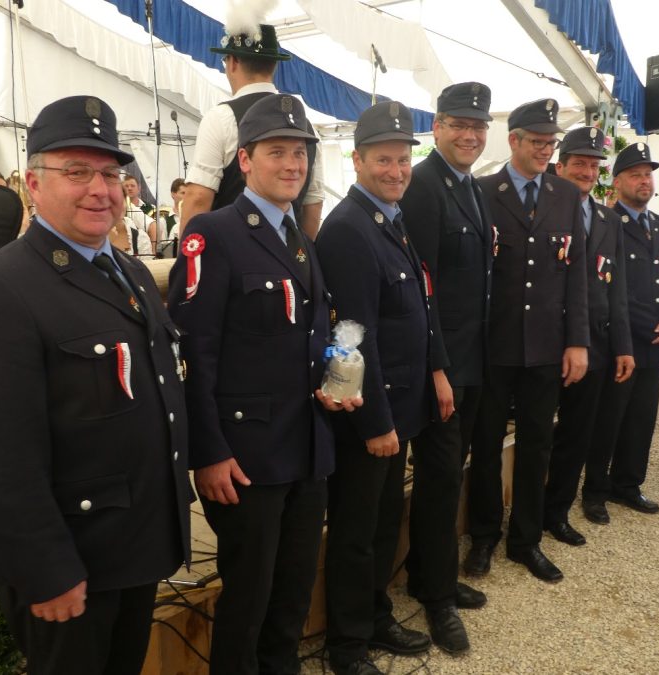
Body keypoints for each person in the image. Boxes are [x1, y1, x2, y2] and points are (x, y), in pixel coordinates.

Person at [0, 94, 194, 674]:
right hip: (71, 561)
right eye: (76, 171)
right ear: (33, 182)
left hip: (132, 544)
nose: (99, 189)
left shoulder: (129, 272)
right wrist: (45, 568)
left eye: (110, 173)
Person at [168, 93, 351, 675]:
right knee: (248, 597)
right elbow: (194, 355)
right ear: (244, 160)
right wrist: (210, 452)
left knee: (293, 590)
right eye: (278, 151)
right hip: (246, 458)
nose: (292, 164)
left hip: (306, 447)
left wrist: (338, 378)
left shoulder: (297, 236)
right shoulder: (213, 235)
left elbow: (311, 330)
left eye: (300, 153)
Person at [317, 101, 444, 672]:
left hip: (400, 408)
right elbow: (349, 338)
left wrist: (433, 375)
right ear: (357, 160)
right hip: (373, 416)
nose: (396, 170)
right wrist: (376, 425)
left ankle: (373, 617)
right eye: (383, 160)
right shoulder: (348, 229)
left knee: (383, 521)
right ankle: (346, 647)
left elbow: (418, 303)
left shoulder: (389, 220)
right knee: (355, 532)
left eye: (402, 159)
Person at [469, 98, 589, 582]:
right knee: (486, 443)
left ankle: (526, 539)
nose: (545, 150)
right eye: (537, 141)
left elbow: (576, 274)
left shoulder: (565, 195)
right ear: (513, 140)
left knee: (537, 445)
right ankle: (482, 537)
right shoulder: (481, 191)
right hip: (494, 346)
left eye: (550, 143)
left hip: (545, 347)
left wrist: (576, 341)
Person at [397, 82, 491, 621]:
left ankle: (432, 575)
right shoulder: (425, 185)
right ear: (437, 127)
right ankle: (435, 595)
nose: (469, 134)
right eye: (458, 124)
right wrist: (437, 366)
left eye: (477, 127)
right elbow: (420, 284)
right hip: (443, 364)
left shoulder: (469, 186)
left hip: (470, 360)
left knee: (451, 471)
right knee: (438, 475)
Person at [576, 142, 659, 525]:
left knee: (642, 418)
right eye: (636, 174)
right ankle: (595, 490)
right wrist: (648, 326)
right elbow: (610, 288)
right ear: (617, 181)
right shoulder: (608, 224)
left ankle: (628, 484)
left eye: (648, 174)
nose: (645, 181)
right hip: (619, 340)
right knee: (608, 420)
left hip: (657, 342)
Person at [543, 126, 633, 545]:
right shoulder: (539, 209)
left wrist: (623, 347)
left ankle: (556, 513)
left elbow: (617, 288)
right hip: (543, 342)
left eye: (593, 165)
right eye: (578, 163)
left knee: (577, 434)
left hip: (594, 344)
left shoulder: (608, 220)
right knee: (538, 434)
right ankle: (526, 514)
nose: (585, 171)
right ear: (558, 166)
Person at [180, 21, 324, 239]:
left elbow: (198, 197)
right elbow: (313, 203)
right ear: (274, 64)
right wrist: (300, 256)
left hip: (232, 258)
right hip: (290, 259)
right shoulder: (306, 125)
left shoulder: (221, 117)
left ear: (233, 62)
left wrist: (189, 259)